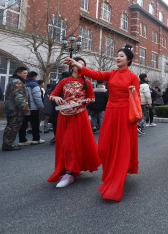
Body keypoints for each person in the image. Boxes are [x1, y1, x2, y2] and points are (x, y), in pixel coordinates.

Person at [65, 45, 140, 202]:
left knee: (121, 147)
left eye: (121, 56)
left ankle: (117, 178)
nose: (117, 58)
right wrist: (78, 65)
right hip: (111, 113)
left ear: (129, 60)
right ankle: (114, 171)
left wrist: (133, 92)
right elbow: (94, 73)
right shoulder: (111, 74)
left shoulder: (133, 77)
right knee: (105, 147)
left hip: (125, 114)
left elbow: (137, 97)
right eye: (117, 55)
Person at [48, 57, 100, 188]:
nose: (80, 67)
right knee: (65, 143)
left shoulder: (86, 82)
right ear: (72, 66)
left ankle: (70, 172)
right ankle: (70, 169)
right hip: (64, 115)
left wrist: (82, 102)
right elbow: (51, 95)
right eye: (77, 65)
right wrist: (56, 98)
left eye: (82, 65)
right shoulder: (64, 81)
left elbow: (92, 98)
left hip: (79, 115)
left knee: (74, 143)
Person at [2, 67, 30, 151]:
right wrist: (25, 107)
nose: (26, 75)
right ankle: (8, 144)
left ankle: (8, 143)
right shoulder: (16, 82)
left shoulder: (17, 81)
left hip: (13, 108)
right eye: (24, 73)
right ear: (18, 73)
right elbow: (18, 95)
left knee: (12, 125)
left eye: (26, 73)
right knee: (13, 125)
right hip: (14, 108)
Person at [18, 71, 45, 146]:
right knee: (35, 124)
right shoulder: (35, 85)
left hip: (24, 107)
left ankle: (22, 140)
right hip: (33, 108)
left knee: (23, 124)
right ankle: (36, 139)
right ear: (34, 77)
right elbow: (37, 97)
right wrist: (41, 106)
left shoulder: (22, 83)